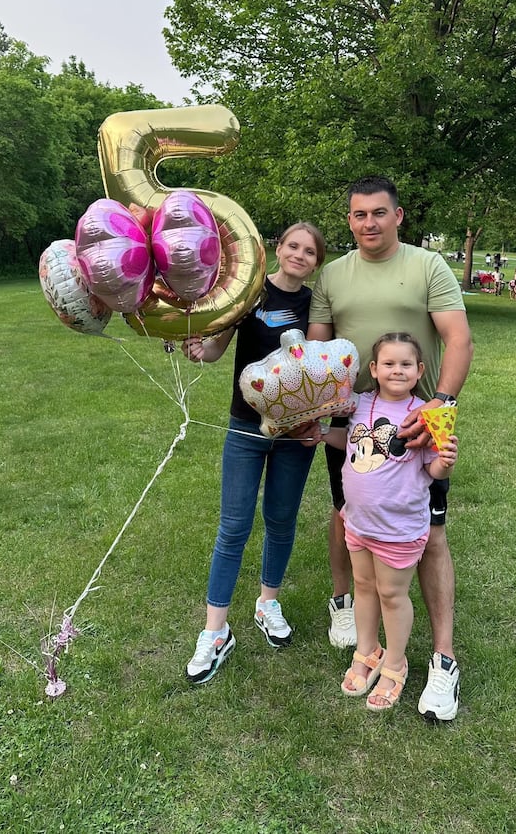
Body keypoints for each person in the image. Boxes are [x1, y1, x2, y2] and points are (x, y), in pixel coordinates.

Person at [307, 176, 473, 721]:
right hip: (354, 422)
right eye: (358, 215)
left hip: (416, 426)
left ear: (398, 217)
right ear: (349, 219)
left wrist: (439, 409)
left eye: (379, 213)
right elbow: (315, 351)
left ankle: (443, 660)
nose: (369, 223)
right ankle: (352, 618)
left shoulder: (428, 267)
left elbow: (458, 339)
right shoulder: (331, 275)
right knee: (347, 514)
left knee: (432, 537)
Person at [181, 222, 326, 684]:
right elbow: (216, 348)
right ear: (277, 249)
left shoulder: (317, 306)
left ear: (316, 262)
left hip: (294, 432)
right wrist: (195, 347)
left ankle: (268, 602)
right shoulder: (250, 295)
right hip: (245, 426)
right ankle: (216, 632)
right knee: (233, 526)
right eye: (293, 246)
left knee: (281, 520)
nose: (299, 255)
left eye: (309, 251)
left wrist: (315, 422)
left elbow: (321, 370)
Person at [320, 333, 459, 711]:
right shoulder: (360, 404)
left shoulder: (425, 417)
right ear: (374, 370)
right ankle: (367, 651)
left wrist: (444, 461)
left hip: (398, 529)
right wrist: (317, 434)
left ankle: (395, 665)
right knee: (364, 587)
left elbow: (432, 467)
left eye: (406, 365)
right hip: (358, 522)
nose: (397, 370)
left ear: (420, 371)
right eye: (389, 364)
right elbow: (344, 440)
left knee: (392, 595)